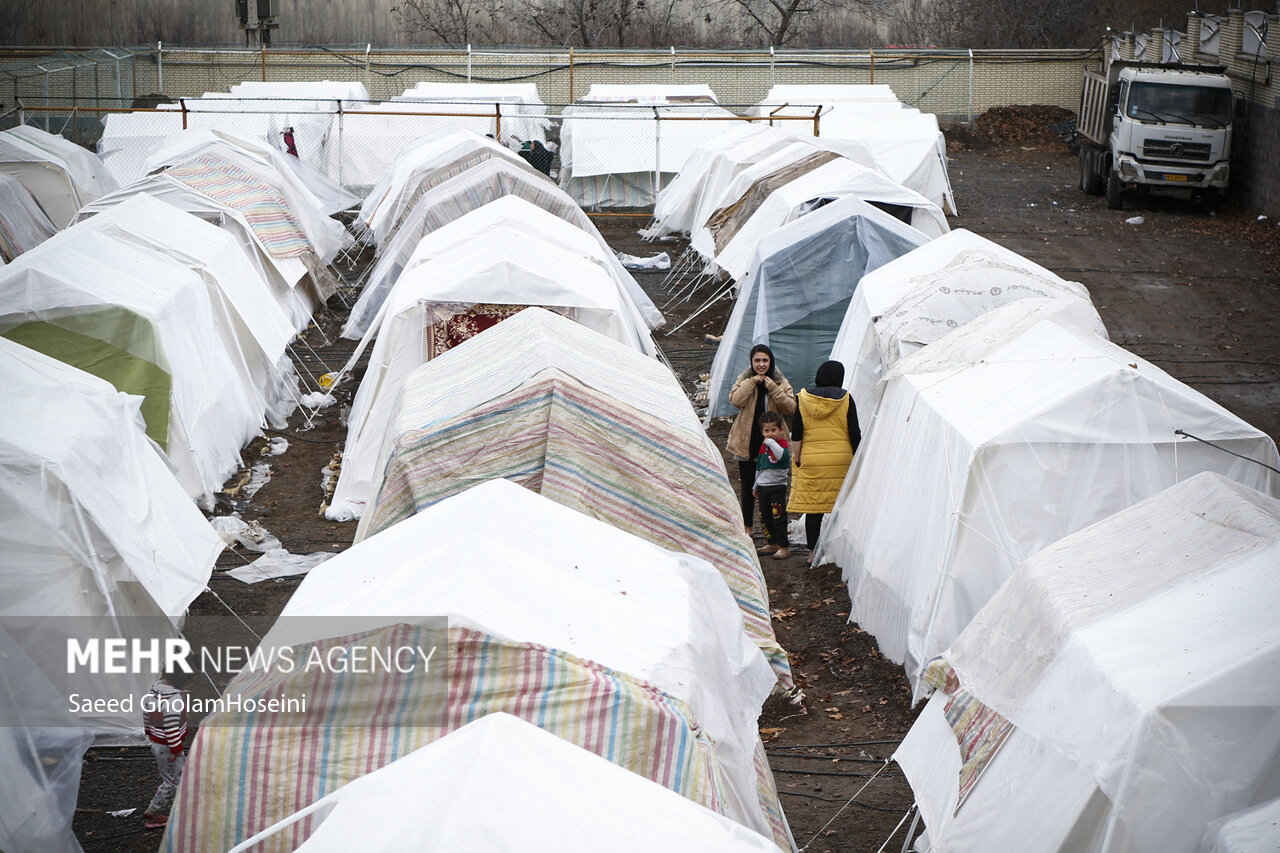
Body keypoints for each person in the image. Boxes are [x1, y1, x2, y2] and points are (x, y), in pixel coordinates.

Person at [788, 360, 860, 565]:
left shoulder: (802, 399)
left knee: (814, 508)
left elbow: (797, 433)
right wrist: (858, 460)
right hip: (841, 459)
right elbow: (855, 433)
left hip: (813, 460)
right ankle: (835, 550)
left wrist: (798, 457)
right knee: (837, 506)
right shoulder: (846, 398)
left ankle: (812, 554)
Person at [727, 344, 796, 538]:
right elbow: (735, 400)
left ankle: (774, 535)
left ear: (771, 361)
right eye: (757, 360)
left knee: (773, 489)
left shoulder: (779, 381)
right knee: (748, 487)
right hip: (747, 441)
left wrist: (772, 387)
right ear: (752, 362)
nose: (761, 364)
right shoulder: (744, 378)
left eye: (765, 360)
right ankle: (748, 527)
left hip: (773, 441)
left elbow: (790, 407)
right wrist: (752, 382)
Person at [142, 667, 195, 829]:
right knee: (172, 782)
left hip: (158, 743)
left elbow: (146, 713)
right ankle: (154, 812)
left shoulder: (153, 690)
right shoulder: (174, 699)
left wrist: (149, 732)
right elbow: (171, 729)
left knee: (175, 776)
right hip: (169, 747)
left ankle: (178, 807)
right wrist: (177, 749)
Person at [753, 410, 792, 559]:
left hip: (777, 486)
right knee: (765, 517)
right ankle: (772, 542)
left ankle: (784, 546)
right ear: (762, 431)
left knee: (778, 516)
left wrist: (770, 441)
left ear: (781, 430)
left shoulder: (781, 445)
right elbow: (760, 467)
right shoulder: (764, 447)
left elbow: (782, 456)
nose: (770, 434)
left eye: (773, 430)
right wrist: (755, 485)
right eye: (766, 431)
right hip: (763, 486)